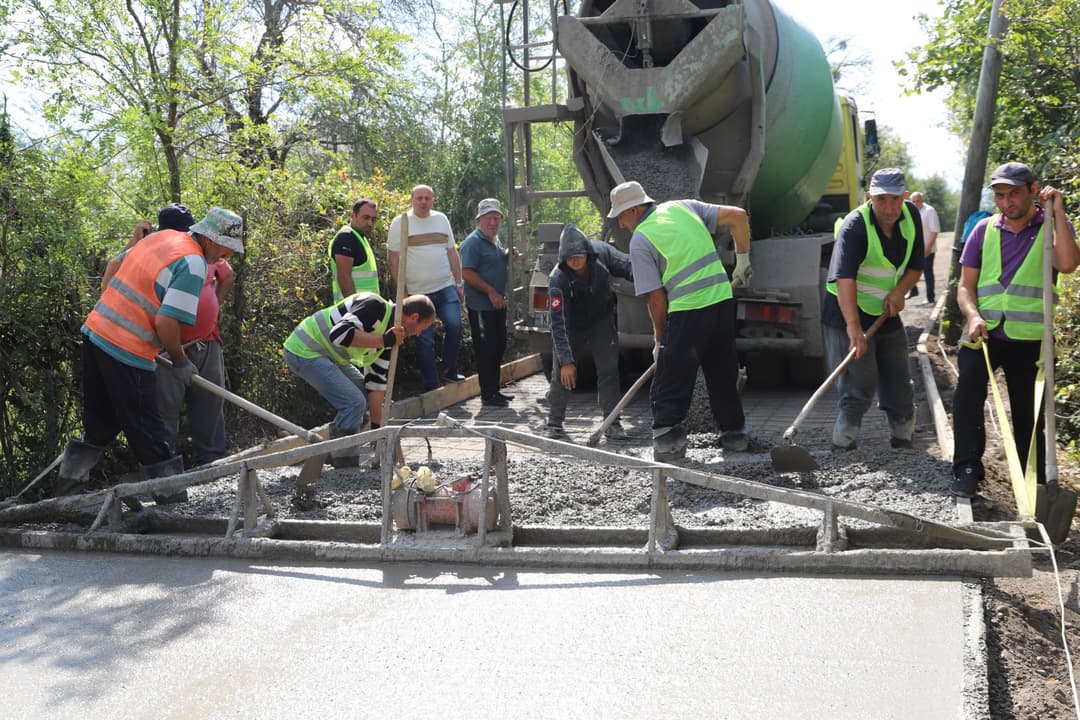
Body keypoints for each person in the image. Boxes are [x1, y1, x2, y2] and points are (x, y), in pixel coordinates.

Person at [58, 208, 244, 501]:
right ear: (209, 238)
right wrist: (180, 361)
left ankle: (67, 492)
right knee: (149, 427)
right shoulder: (193, 262)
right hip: (125, 349)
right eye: (226, 247)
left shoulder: (162, 238)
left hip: (95, 335)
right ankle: (171, 500)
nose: (228, 256)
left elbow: (118, 268)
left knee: (100, 424)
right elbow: (166, 321)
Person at [950, 162, 1080, 497]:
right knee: (966, 397)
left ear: (1033, 190)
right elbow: (965, 286)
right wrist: (973, 316)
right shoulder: (983, 230)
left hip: (1030, 340)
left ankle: (1031, 479)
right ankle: (967, 467)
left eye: (1014, 194)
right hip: (983, 335)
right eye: (1001, 196)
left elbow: (1067, 264)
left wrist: (1059, 214)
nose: (1007, 202)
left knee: (1029, 413)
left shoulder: (1052, 227)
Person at [609, 180, 753, 462]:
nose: (622, 225)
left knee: (671, 377)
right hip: (722, 301)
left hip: (689, 309)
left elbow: (656, 299)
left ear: (636, 210)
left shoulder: (641, 240)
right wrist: (743, 260)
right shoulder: (683, 207)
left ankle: (668, 440)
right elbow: (738, 216)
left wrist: (660, 339)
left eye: (622, 217)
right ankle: (735, 435)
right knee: (722, 373)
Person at [823, 168, 924, 451]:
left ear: (905, 197)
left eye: (895, 199)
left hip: (884, 310)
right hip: (846, 310)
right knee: (859, 380)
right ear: (870, 197)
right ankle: (844, 442)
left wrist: (900, 292)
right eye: (881, 200)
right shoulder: (855, 226)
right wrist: (853, 328)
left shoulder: (911, 217)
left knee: (897, 373)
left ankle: (903, 437)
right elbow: (845, 278)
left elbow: (916, 265)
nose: (889, 208)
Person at [283, 292, 435, 467]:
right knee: (354, 403)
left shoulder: (390, 338)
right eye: (422, 328)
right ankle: (344, 464)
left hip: (326, 355)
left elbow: (375, 385)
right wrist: (383, 340)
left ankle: (337, 449)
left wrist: (377, 430)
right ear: (414, 317)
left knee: (366, 397)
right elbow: (339, 334)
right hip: (304, 349)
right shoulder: (374, 306)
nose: (418, 334)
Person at [542, 224, 634, 441]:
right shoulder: (557, 279)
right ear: (563, 258)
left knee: (609, 370)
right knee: (561, 374)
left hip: (601, 321)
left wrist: (651, 281)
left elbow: (630, 266)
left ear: (587, 252)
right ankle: (554, 422)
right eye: (569, 257)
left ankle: (612, 423)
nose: (575, 260)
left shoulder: (602, 253)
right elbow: (557, 323)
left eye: (579, 255)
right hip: (571, 326)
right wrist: (566, 360)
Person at [387, 185, 465, 391]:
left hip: (444, 285)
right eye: (419, 198)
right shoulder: (401, 223)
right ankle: (431, 385)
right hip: (417, 293)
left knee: (455, 324)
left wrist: (458, 283)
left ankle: (447, 370)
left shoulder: (441, 219)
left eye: (427, 198)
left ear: (433, 201)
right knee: (425, 340)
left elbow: (451, 252)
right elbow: (393, 260)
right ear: (411, 200)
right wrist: (402, 293)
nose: (423, 202)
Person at [460, 198, 517, 407]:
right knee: (486, 349)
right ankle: (488, 394)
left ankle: (494, 390)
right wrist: (491, 292)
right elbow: (466, 272)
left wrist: (508, 256)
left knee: (498, 346)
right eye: (488, 218)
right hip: (481, 306)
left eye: (496, 218)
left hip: (497, 305)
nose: (492, 222)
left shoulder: (495, 239)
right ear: (479, 220)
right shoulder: (473, 242)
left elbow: (493, 261)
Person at [329, 198, 380, 302]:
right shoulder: (346, 238)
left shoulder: (359, 237)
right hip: (354, 311)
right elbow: (344, 278)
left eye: (373, 219)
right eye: (366, 218)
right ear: (352, 215)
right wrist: (355, 309)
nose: (370, 223)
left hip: (365, 308)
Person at [907, 191, 941, 305]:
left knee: (927, 272)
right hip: (914, 248)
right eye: (913, 201)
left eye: (918, 201)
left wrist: (928, 248)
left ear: (922, 200)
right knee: (909, 269)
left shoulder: (929, 211)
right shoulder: (911, 211)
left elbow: (934, 231)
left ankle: (930, 298)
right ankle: (913, 290)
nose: (916, 203)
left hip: (927, 249)